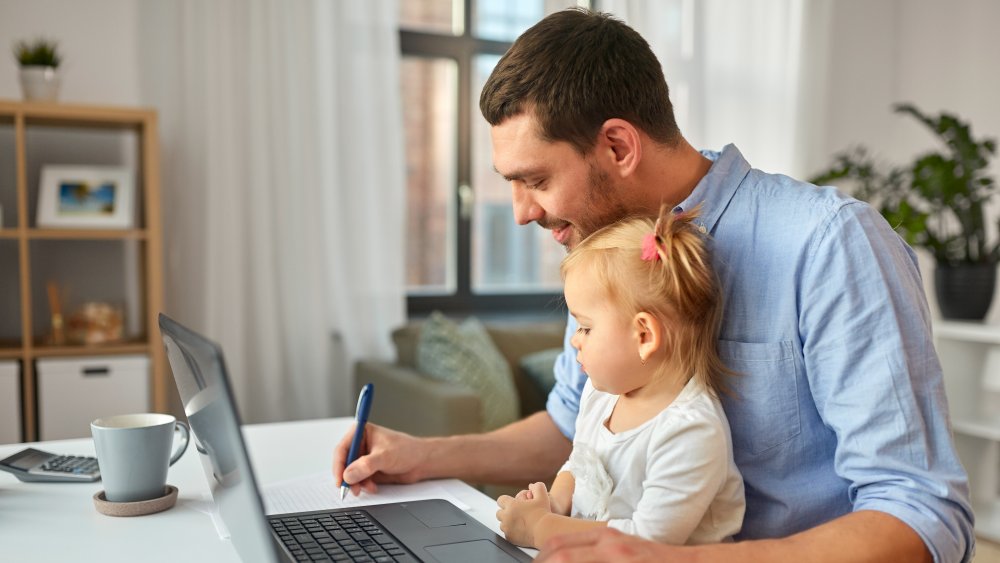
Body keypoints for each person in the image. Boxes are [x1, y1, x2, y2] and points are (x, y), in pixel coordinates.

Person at [333, 8, 974, 562]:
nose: (522, 211)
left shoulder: (830, 244)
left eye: (534, 179)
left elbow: (924, 514)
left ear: (617, 146)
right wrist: (423, 456)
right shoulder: (607, 249)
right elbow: (571, 425)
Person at [496, 208, 745, 549]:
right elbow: (579, 464)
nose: (575, 340)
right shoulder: (602, 396)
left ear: (644, 336)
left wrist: (542, 528)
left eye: (585, 327)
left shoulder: (690, 430)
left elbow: (648, 541)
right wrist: (553, 504)